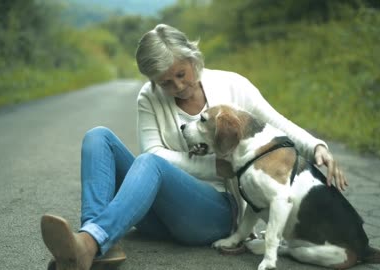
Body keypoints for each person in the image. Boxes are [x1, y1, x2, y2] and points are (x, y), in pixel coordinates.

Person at [40, 23, 348, 270]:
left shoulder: (232, 85)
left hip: (214, 212)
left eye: (180, 75)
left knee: (149, 163)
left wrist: (317, 147)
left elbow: (277, 123)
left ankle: (89, 245)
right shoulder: (149, 98)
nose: (177, 87)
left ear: (192, 58)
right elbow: (153, 152)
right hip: (160, 216)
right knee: (98, 136)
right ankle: (88, 243)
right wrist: (213, 164)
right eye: (165, 82)